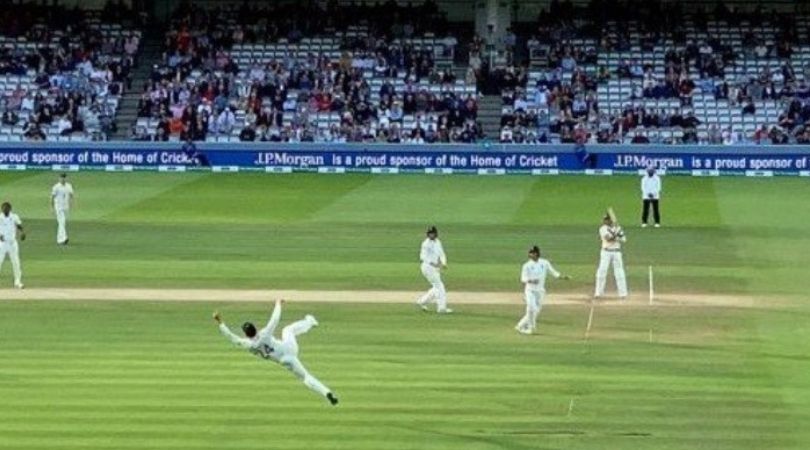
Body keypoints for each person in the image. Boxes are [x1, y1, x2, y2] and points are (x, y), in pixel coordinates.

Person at [213, 300, 338, 405]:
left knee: (306, 377)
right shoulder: (264, 334)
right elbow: (274, 319)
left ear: (246, 334)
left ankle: (327, 392)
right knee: (287, 330)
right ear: (255, 328)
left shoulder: (249, 345)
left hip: (285, 361)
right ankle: (310, 322)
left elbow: (232, 338)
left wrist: (220, 322)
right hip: (289, 348)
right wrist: (278, 303)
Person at [515, 245, 570, 335]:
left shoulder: (544, 263)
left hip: (540, 291)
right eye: (530, 253)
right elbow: (523, 279)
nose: (530, 254)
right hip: (530, 290)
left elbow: (553, 272)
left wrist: (562, 277)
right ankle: (531, 328)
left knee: (536, 311)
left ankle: (520, 325)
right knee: (531, 307)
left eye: (532, 253)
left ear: (536, 254)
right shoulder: (526, 265)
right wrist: (531, 281)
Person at [416, 226, 451, 313]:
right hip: (427, 267)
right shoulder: (425, 244)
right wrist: (433, 263)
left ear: (436, 234)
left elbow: (442, 253)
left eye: (433, 233)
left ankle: (422, 301)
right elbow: (422, 257)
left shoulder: (438, 242)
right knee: (440, 287)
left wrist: (444, 263)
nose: (431, 235)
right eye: (430, 234)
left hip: (435, 268)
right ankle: (441, 308)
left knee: (436, 287)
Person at [594, 212, 628, 299]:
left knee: (619, 272)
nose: (604, 221)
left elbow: (624, 239)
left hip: (616, 252)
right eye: (604, 219)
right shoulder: (602, 229)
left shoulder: (618, 228)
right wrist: (616, 235)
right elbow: (608, 239)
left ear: (610, 220)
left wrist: (618, 233)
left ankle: (623, 293)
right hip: (606, 252)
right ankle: (598, 293)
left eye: (606, 219)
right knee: (602, 271)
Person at [0, 202, 25, 288]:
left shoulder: (14, 217)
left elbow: (19, 225)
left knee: (16, 262)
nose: (5, 210)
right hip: (2, 244)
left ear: (10, 209)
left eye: (6, 209)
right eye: (3, 209)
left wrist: (22, 232)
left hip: (12, 243)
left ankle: (17, 281)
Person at [51, 173, 75, 245]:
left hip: (66, 207)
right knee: (62, 221)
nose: (62, 179)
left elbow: (71, 195)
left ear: (66, 178)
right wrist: (52, 207)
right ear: (59, 178)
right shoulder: (56, 187)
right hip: (58, 207)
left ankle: (59, 240)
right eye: (61, 178)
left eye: (64, 178)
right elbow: (52, 197)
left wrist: (71, 203)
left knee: (62, 223)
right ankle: (64, 238)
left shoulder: (69, 186)